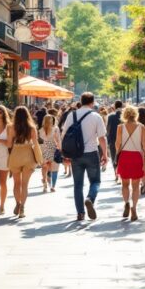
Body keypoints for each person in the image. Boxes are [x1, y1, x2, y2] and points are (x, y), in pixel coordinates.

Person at [61, 92, 108, 221]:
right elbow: (102, 138)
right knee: (95, 181)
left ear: (81, 101)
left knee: (77, 184)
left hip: (76, 155)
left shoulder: (72, 115)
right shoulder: (96, 116)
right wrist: (105, 154)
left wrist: (64, 153)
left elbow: (64, 135)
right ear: (92, 103)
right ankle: (90, 198)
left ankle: (80, 213)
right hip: (92, 153)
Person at [115, 105, 145, 221]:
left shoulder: (120, 127)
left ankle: (126, 203)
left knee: (125, 184)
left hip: (124, 156)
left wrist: (117, 154)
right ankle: (134, 208)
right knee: (135, 186)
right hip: (136, 156)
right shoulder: (141, 127)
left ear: (124, 115)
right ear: (136, 115)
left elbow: (117, 144)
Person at [7, 106, 40, 219]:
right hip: (28, 156)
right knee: (25, 184)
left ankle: (17, 203)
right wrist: (39, 158)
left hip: (15, 155)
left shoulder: (11, 127)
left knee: (16, 183)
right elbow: (35, 144)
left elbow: (9, 145)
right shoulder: (32, 128)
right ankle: (22, 208)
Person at [39, 114, 61, 192]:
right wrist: (60, 149)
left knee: (44, 168)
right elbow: (58, 140)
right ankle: (52, 186)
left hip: (44, 149)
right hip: (53, 149)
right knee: (53, 169)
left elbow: (40, 142)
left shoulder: (41, 130)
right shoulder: (55, 129)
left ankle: (45, 184)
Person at [106, 101, 124, 182]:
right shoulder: (125, 116)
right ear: (122, 106)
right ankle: (122, 174)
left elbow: (108, 129)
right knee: (122, 157)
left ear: (114, 106)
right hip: (124, 140)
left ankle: (116, 174)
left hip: (113, 140)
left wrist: (108, 140)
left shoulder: (110, 116)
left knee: (114, 157)